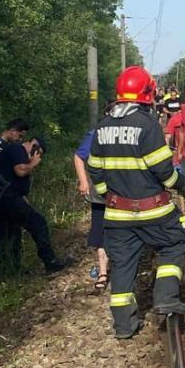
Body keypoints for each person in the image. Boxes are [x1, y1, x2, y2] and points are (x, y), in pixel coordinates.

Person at [87, 65, 185, 340]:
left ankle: (124, 326)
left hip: (116, 214)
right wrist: (182, 185)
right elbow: (162, 170)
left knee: (122, 266)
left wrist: (106, 194)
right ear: (147, 93)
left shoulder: (101, 128)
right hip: (153, 211)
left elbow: (95, 169)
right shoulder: (147, 126)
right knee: (173, 244)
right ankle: (165, 296)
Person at [0, 134, 72, 283]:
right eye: (38, 153)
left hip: (3, 199)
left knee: (5, 235)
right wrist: (34, 163)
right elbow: (20, 171)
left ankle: (0, 273)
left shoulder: (18, 153)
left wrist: (27, 205)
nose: (36, 156)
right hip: (7, 199)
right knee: (38, 223)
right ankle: (50, 262)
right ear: (34, 147)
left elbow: (21, 186)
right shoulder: (17, 149)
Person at [73, 109, 111, 292]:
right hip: (101, 194)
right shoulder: (96, 133)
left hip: (126, 193)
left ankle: (122, 269)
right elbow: (80, 156)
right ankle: (103, 272)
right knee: (100, 230)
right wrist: (83, 181)